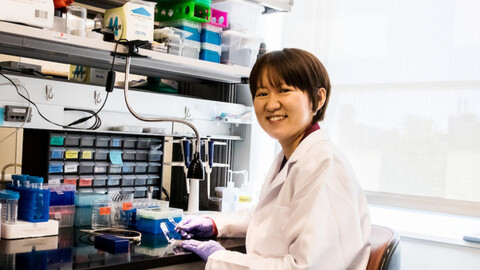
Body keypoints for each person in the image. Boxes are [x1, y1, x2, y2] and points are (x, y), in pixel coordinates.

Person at [177, 48, 371, 270]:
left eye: (284, 90)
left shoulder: (322, 164)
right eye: (262, 94)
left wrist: (222, 258)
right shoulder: (292, 156)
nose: (271, 104)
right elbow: (268, 218)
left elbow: (307, 267)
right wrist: (214, 224)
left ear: (318, 99)